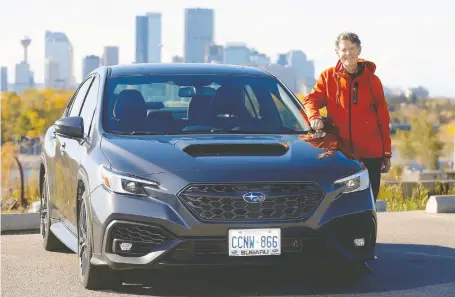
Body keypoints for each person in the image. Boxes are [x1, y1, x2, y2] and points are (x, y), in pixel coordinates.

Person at [301, 32, 392, 202]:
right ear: (337, 52)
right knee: (341, 204)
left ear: (359, 50)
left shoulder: (373, 81)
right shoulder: (328, 77)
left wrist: (386, 153)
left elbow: (383, 119)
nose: (348, 53)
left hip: (370, 154)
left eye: (352, 48)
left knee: (368, 201)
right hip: (341, 154)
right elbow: (310, 100)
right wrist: (315, 117)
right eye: (343, 49)